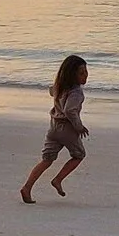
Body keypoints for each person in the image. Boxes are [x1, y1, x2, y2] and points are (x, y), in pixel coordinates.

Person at [21, 53, 89, 201]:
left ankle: (27, 187)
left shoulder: (59, 86)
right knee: (79, 155)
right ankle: (58, 179)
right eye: (81, 73)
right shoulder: (76, 92)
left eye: (86, 72)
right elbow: (70, 110)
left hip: (53, 128)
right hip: (68, 129)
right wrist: (79, 127)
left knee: (46, 159)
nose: (85, 76)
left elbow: (51, 91)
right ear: (72, 75)